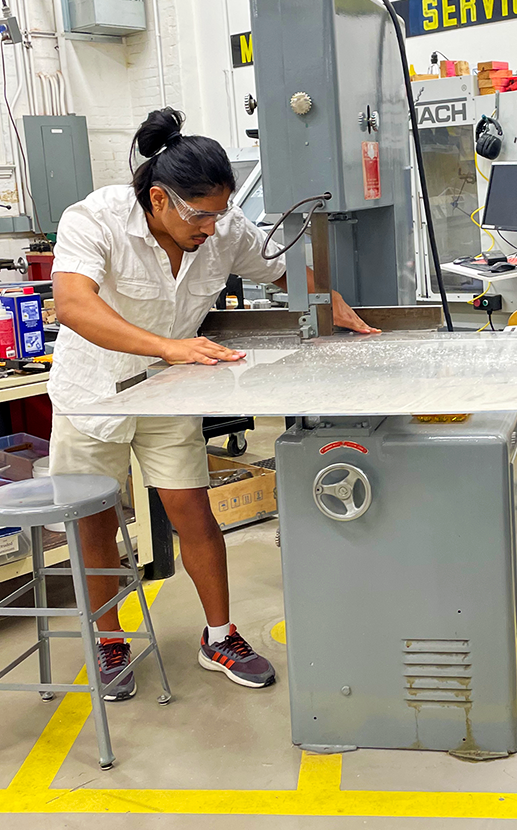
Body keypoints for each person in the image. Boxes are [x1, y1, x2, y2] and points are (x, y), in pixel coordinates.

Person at [49, 108, 377, 700]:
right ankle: (107, 641)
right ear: (159, 199)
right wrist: (167, 348)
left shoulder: (222, 229)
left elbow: (282, 273)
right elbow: (73, 305)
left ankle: (219, 637)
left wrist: (332, 303)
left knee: (193, 513)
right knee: (96, 522)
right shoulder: (93, 219)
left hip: (172, 390)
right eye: (202, 214)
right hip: (92, 392)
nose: (214, 227)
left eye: (222, 212)